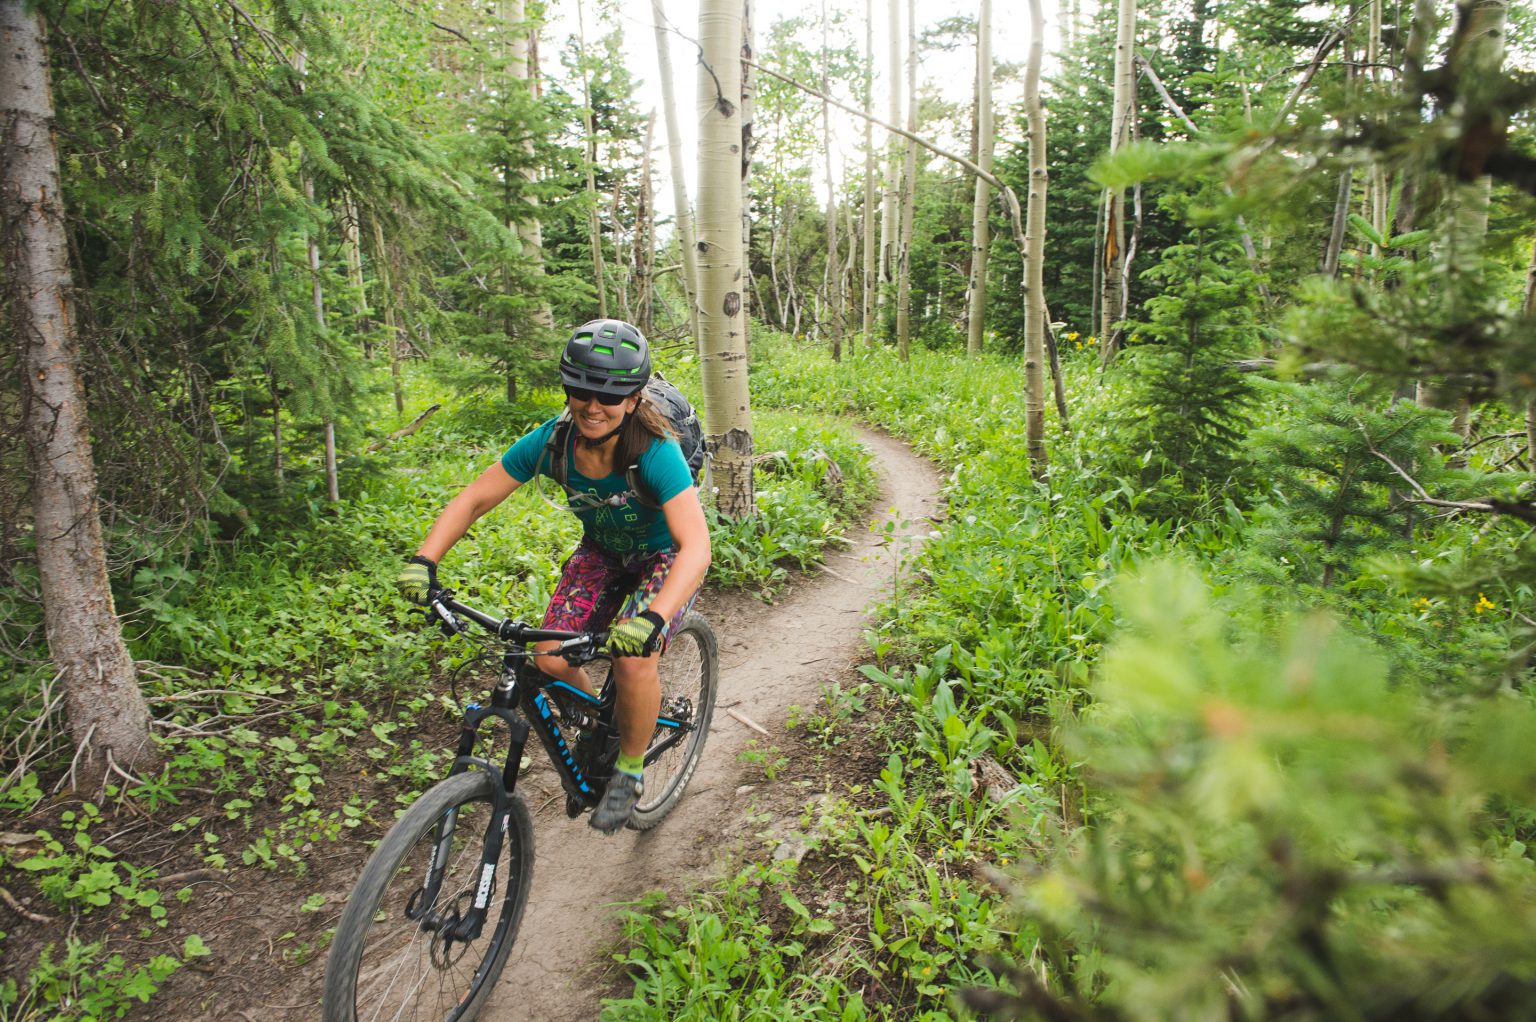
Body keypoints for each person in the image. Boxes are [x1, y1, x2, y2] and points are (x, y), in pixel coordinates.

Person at [395, 319, 711, 833]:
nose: (592, 405)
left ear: (633, 400)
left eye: (609, 395)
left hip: (663, 557)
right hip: (603, 553)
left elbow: (696, 545)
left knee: (633, 662)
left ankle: (628, 772)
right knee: (547, 656)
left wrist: (652, 617)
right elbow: (476, 497)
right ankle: (598, 726)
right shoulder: (553, 443)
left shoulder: (654, 450)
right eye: (581, 391)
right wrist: (425, 560)